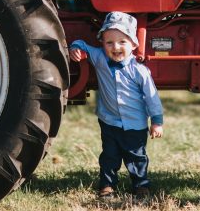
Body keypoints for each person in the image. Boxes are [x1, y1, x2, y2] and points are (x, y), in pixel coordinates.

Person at [69, 11, 164, 199]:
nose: (116, 47)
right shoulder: (100, 58)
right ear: (102, 44)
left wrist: (157, 121)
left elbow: (152, 98)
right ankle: (107, 185)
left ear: (133, 44)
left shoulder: (140, 71)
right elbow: (82, 44)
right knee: (109, 156)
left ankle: (140, 185)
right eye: (109, 42)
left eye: (122, 42)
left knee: (136, 157)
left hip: (134, 124)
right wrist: (75, 48)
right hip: (109, 121)